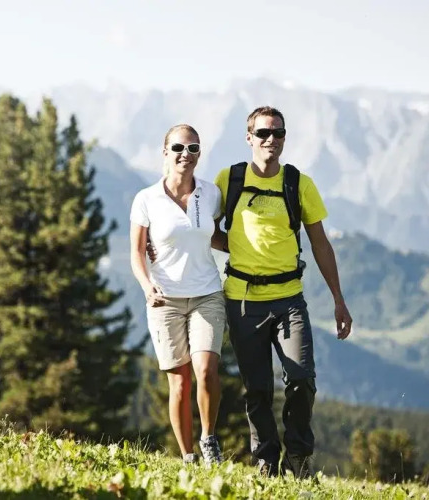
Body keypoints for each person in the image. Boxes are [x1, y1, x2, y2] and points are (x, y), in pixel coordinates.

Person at [212, 106, 352, 478]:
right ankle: (266, 462)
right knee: (257, 388)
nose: (270, 139)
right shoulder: (229, 180)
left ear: (285, 138)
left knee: (302, 378)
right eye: (263, 133)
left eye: (278, 132)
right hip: (242, 300)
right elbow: (203, 228)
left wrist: (338, 299)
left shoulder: (298, 183)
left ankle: (299, 458)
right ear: (249, 138)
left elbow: (320, 244)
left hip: (289, 299)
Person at [130, 124, 226, 465]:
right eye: (179, 148)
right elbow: (137, 252)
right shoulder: (146, 199)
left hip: (207, 293)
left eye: (193, 148)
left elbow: (214, 235)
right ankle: (188, 456)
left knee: (206, 370)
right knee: (180, 384)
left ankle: (208, 439)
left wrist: (252, 250)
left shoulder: (211, 194)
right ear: (165, 152)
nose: (186, 154)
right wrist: (147, 286)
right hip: (165, 299)